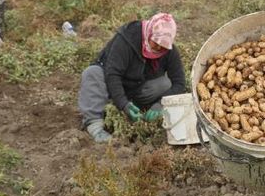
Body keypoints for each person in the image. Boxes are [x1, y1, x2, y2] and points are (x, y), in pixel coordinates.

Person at [77, 13, 186, 142]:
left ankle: (140, 110)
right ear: (149, 33)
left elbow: (179, 83)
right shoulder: (126, 39)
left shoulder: (169, 51)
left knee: (165, 84)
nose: (158, 48)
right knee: (92, 73)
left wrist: (161, 104)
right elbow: (113, 74)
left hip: (138, 89)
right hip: (112, 86)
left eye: (163, 46)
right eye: (155, 43)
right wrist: (123, 104)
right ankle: (95, 126)